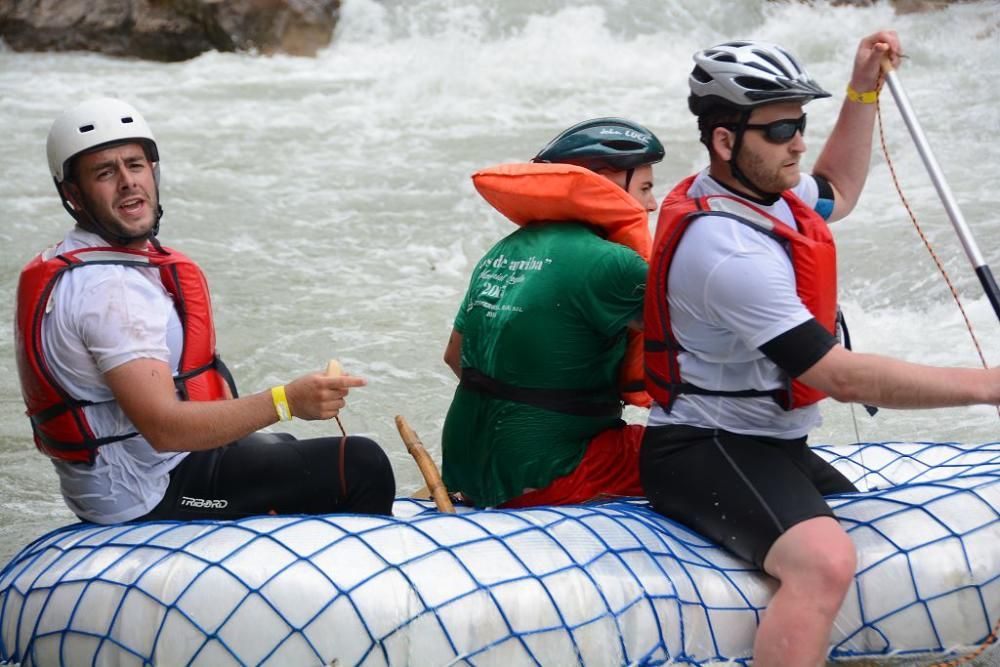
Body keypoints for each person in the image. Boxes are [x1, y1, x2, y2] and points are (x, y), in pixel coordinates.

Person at [640, 33, 1000, 666]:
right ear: (725, 141)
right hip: (704, 446)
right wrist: (989, 384)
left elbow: (837, 189)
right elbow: (840, 377)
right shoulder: (726, 251)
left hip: (773, 441)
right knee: (825, 563)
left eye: (800, 122)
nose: (798, 142)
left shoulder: (758, 192)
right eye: (780, 130)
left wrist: (865, 88)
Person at [14, 98, 395, 525]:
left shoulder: (78, 260)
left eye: (135, 165)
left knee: (278, 446)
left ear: (153, 172)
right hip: (148, 493)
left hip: (119, 480)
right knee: (361, 463)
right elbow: (164, 428)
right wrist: (286, 400)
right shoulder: (111, 292)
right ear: (73, 195)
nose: (127, 182)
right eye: (105, 172)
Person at [441, 117, 664, 508]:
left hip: (466, 468)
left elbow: (454, 357)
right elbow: (703, 346)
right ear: (606, 182)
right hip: (551, 473)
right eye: (645, 188)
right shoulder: (613, 263)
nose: (652, 204)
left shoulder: (503, 250)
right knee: (690, 451)